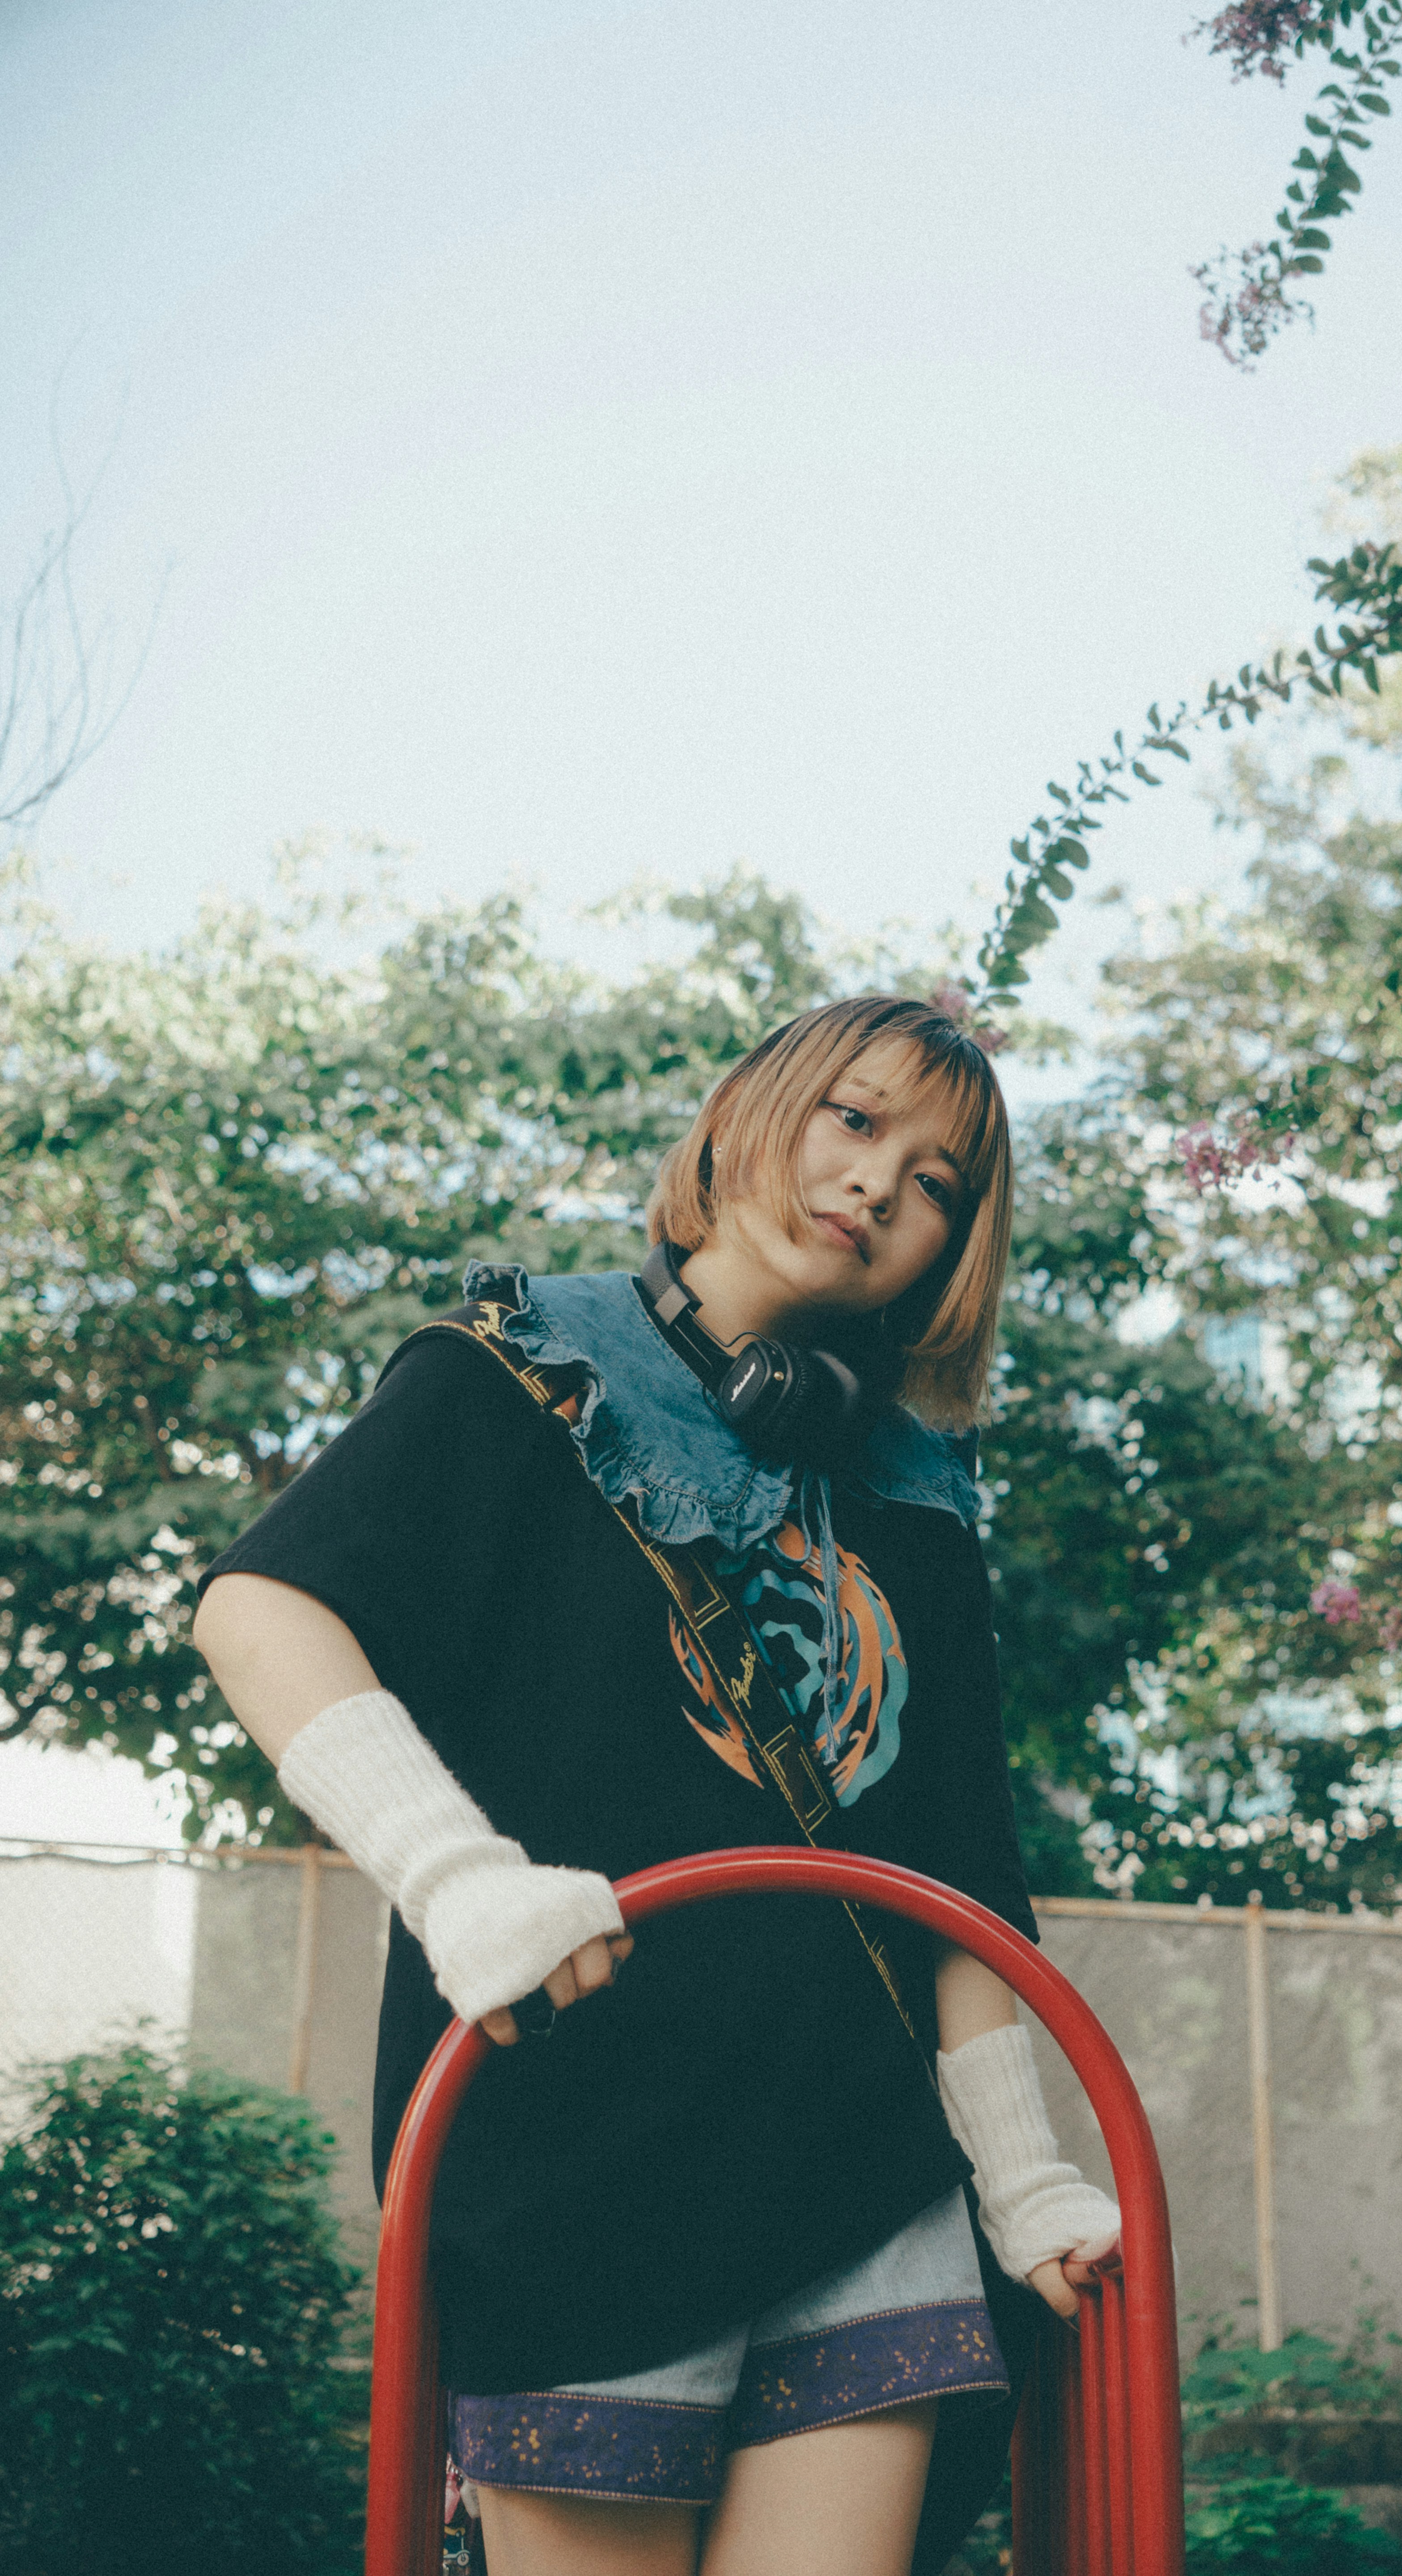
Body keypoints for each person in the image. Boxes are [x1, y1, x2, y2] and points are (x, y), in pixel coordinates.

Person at [194, 993, 1119, 2576]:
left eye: (944, 1180)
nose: (887, 1181)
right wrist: (456, 1874)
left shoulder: (918, 1500)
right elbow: (262, 1607)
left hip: (857, 2173)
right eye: (856, 1118)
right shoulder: (516, 1374)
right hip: (579, 2170)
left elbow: (958, 1874)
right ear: (746, 1115)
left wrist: (1025, 2172)